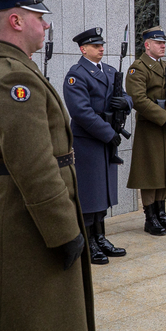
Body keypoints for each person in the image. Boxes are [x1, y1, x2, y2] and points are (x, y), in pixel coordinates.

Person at [0, 0, 95, 331]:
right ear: (16, 21)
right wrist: (65, 232)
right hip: (29, 224)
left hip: (22, 215)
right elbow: (33, 165)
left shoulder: (15, 67)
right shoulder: (12, 78)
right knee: (42, 321)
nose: (47, 24)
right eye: (39, 16)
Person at [64, 27, 132, 265]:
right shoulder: (77, 74)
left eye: (101, 45)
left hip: (105, 140)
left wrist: (124, 101)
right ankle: (89, 241)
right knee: (90, 193)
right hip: (89, 141)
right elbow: (80, 112)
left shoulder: (110, 70)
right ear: (83, 49)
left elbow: (126, 95)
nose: (101, 48)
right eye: (95, 46)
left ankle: (101, 236)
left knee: (103, 192)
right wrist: (108, 133)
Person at [125, 26, 166, 235]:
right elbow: (138, 99)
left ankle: (161, 212)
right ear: (147, 45)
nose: (163, 46)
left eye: (164, 43)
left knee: (165, 170)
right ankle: (150, 217)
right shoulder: (138, 68)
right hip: (151, 127)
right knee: (150, 173)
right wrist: (164, 117)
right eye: (158, 42)